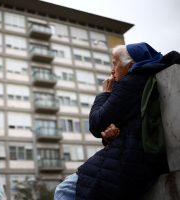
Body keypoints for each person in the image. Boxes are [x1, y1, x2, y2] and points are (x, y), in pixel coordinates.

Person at [54, 42, 180, 200]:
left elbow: (96, 124)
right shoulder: (146, 78)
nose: (112, 71)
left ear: (131, 65)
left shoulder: (130, 82)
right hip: (139, 159)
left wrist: (105, 93)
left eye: (115, 64)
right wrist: (112, 135)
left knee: (65, 190)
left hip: (130, 162)